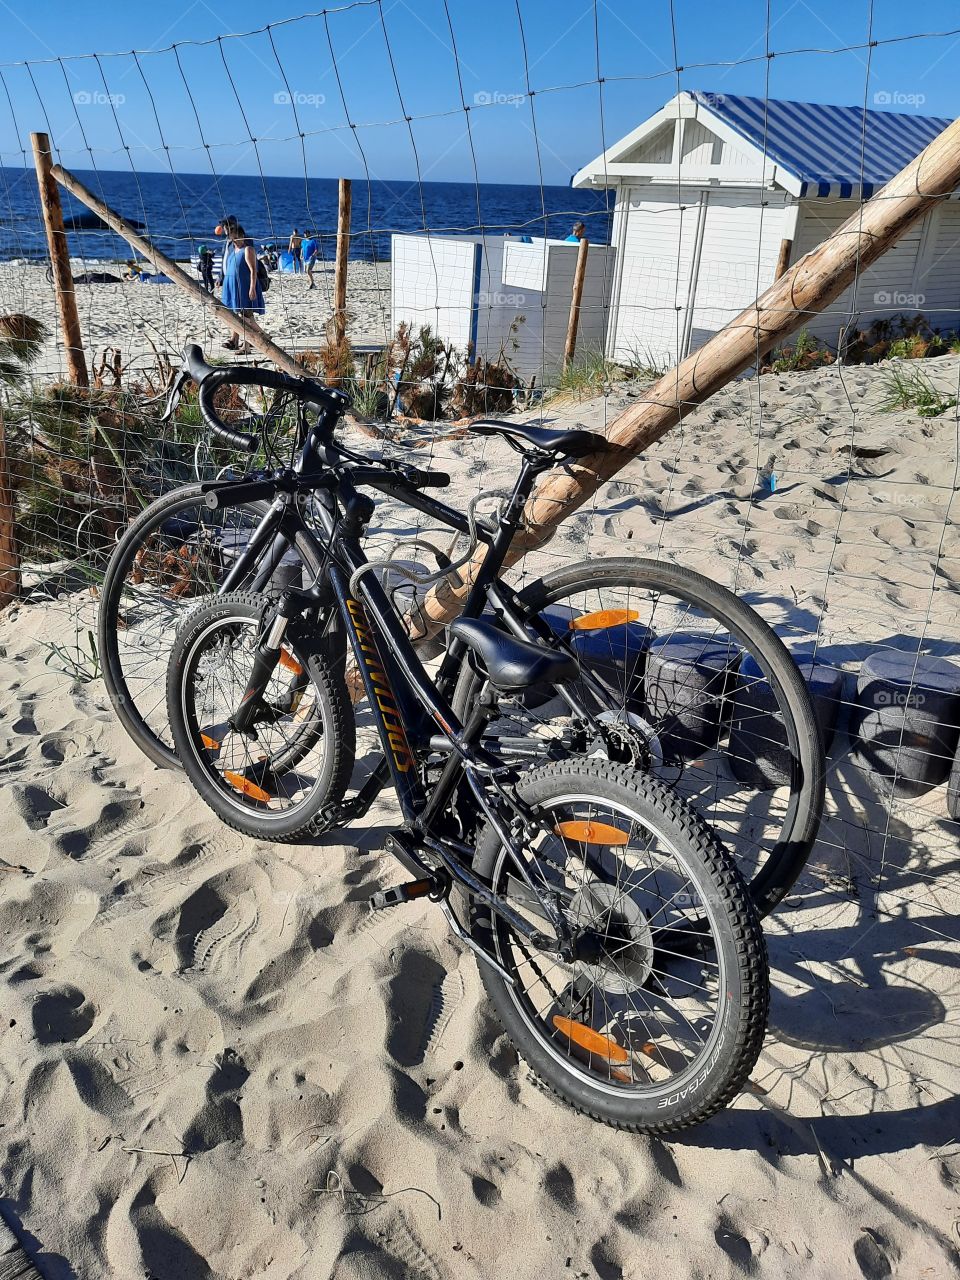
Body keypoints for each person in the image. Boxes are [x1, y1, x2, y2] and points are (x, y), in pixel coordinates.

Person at [217, 219, 264, 352]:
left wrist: (252, 287)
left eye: (238, 237)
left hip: (244, 286)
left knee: (245, 316)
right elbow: (227, 266)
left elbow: (253, 270)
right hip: (234, 287)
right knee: (243, 316)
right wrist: (221, 279)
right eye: (234, 238)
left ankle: (249, 344)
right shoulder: (233, 251)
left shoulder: (247, 249)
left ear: (242, 236)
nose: (235, 239)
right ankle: (258, 338)